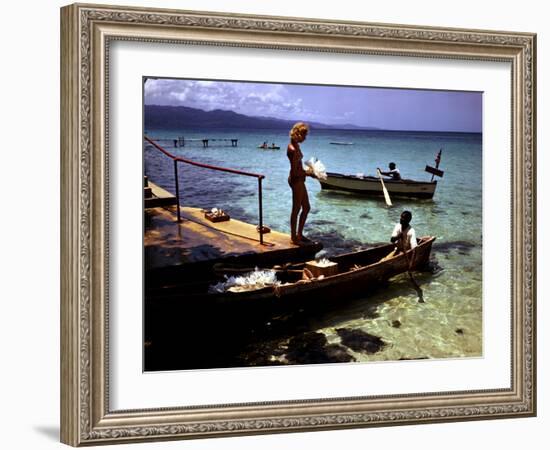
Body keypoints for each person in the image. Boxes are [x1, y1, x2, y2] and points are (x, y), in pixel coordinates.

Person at [287, 122, 314, 245]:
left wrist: (307, 172)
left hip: (299, 179)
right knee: (296, 209)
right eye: (304, 135)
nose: (305, 138)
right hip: (296, 180)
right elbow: (295, 172)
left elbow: (298, 168)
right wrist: (307, 173)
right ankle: (294, 238)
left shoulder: (296, 146)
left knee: (306, 207)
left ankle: (299, 234)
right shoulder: (292, 149)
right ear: (298, 134)